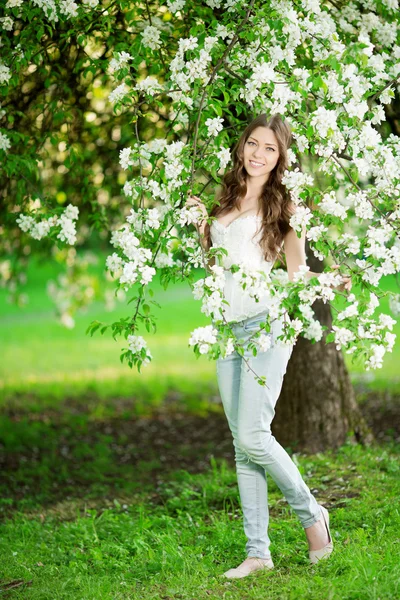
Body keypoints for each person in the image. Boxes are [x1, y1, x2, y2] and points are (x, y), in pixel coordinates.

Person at [186, 113, 351, 579]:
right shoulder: (225, 198)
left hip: (267, 324)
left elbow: (296, 274)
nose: (258, 154)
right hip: (224, 328)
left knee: (255, 434)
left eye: (270, 149)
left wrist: (330, 280)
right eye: (253, 144)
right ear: (242, 147)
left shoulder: (285, 207)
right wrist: (202, 223)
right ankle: (258, 553)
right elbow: (219, 260)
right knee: (243, 443)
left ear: (280, 158)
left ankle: (312, 514)